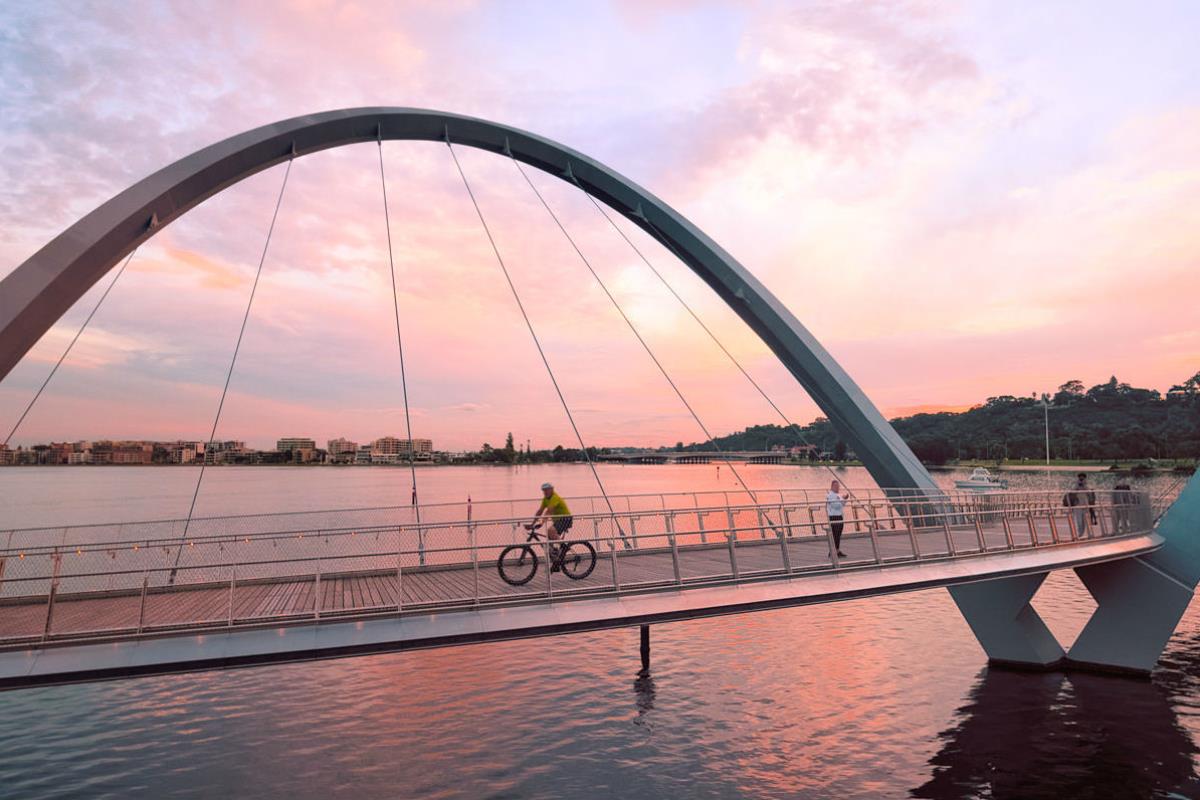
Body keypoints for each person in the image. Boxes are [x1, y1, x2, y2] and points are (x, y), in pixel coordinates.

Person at [530, 482, 573, 571]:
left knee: (550, 530)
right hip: (558, 520)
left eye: (547, 490)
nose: (545, 492)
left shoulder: (555, 497)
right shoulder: (545, 499)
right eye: (544, 490)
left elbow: (549, 511)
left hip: (566, 519)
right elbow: (540, 511)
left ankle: (564, 546)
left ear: (552, 490)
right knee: (549, 546)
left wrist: (541, 523)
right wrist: (532, 524)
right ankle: (556, 564)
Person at [1063, 472, 1098, 538]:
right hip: (1077, 505)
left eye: (1083, 478)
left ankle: (1084, 533)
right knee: (1079, 521)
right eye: (1080, 477)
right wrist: (1077, 486)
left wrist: (1084, 486)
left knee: (1085, 520)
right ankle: (1079, 534)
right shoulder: (1075, 484)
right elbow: (1072, 491)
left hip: (1085, 505)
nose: (1081, 479)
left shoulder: (1087, 485)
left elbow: (1090, 493)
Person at [826, 479, 848, 558]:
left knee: (838, 534)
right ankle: (832, 551)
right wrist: (842, 500)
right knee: (834, 534)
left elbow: (842, 504)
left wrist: (844, 499)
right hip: (833, 517)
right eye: (836, 486)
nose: (837, 488)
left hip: (839, 516)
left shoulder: (838, 495)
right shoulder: (830, 495)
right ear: (832, 486)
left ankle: (837, 550)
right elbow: (835, 505)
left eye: (838, 486)